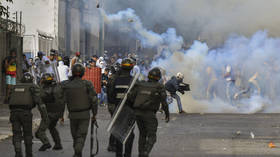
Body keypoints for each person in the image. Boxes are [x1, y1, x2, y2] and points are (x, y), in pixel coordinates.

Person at [127, 67, 169, 157]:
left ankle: (141, 153)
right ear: (158, 77)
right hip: (149, 114)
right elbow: (164, 103)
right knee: (152, 137)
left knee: (142, 134)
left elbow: (130, 97)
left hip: (137, 113)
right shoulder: (159, 86)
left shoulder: (140, 84)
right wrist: (167, 114)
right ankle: (145, 153)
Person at [62, 64, 98, 157]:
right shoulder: (87, 84)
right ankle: (78, 151)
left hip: (72, 115)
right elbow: (94, 100)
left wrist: (61, 114)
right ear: (82, 73)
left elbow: (61, 99)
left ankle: (77, 153)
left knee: (75, 136)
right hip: (84, 114)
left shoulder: (66, 85)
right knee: (81, 136)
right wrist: (94, 114)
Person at [8, 73, 46, 157]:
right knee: (27, 134)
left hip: (14, 113)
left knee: (16, 134)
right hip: (26, 113)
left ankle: (18, 152)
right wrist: (44, 115)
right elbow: (39, 100)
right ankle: (29, 154)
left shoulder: (15, 86)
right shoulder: (33, 86)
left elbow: (7, 100)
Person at [107, 58, 135, 157]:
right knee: (129, 135)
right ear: (131, 67)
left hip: (118, 110)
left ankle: (118, 154)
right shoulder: (134, 81)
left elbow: (110, 96)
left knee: (118, 133)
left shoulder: (115, 80)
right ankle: (127, 155)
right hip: (130, 110)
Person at [35, 73, 65, 151]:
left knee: (40, 132)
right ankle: (58, 144)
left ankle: (46, 143)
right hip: (57, 113)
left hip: (48, 114)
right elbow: (62, 101)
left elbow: (39, 102)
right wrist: (61, 114)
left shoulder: (43, 90)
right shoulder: (58, 87)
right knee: (52, 127)